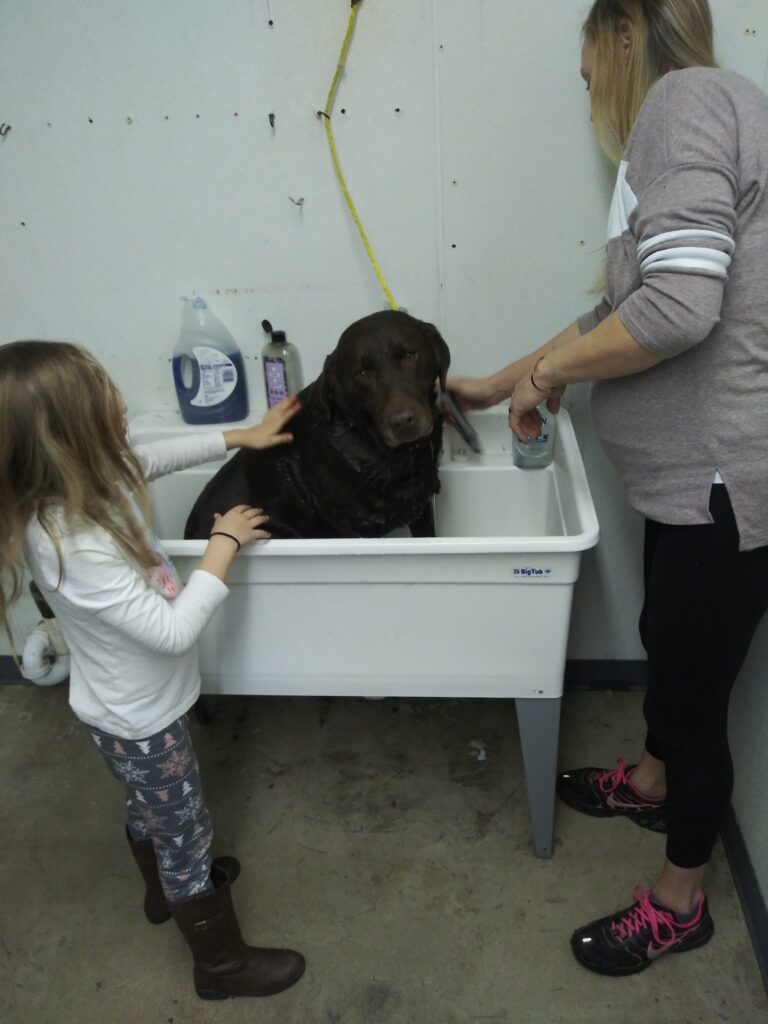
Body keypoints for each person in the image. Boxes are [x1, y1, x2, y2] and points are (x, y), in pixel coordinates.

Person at [448, 0, 768, 976]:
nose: (584, 77)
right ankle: (651, 781)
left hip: (725, 484)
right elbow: (617, 310)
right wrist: (501, 381)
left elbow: (677, 309)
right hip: (689, 483)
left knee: (692, 697)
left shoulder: (685, 105)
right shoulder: (687, 124)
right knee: (663, 643)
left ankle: (681, 901)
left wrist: (548, 378)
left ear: (624, 32)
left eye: (587, 55)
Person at [0, 339, 306, 1000]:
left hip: (126, 708)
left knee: (150, 808)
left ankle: (161, 894)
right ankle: (220, 966)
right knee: (186, 834)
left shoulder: (92, 479)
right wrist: (222, 547)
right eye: (104, 398)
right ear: (68, 436)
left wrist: (242, 436)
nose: (121, 402)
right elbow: (172, 633)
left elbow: (154, 459)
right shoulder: (73, 546)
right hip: (140, 720)